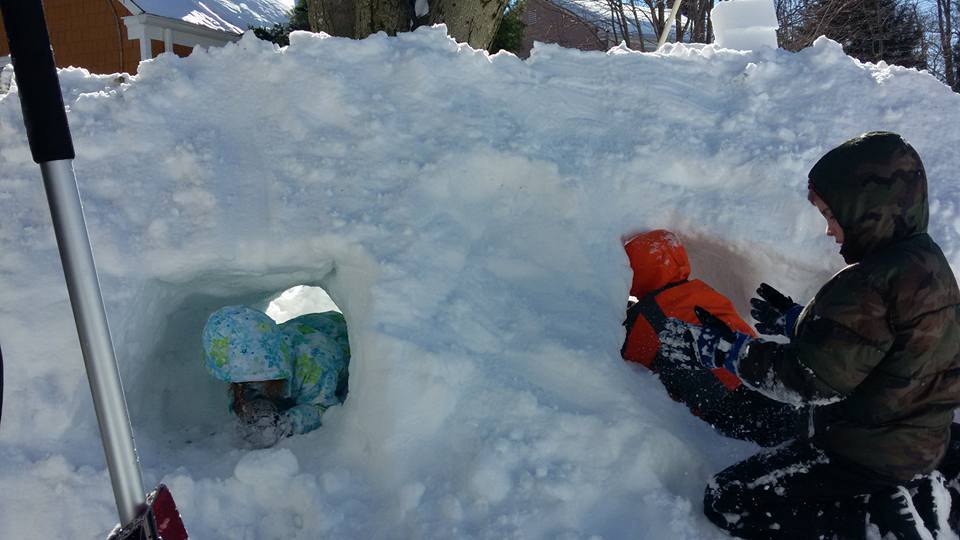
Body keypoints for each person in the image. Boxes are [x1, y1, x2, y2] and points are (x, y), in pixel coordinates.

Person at [655, 131, 960, 539]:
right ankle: (923, 491)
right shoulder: (926, 264)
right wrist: (796, 321)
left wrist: (725, 350)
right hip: (920, 441)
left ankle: (878, 516)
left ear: (867, 211)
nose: (831, 232)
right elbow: (878, 346)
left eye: (833, 217)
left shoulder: (866, 284)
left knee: (727, 499)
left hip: (865, 454)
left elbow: (806, 379)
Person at [621, 229, 805, 447]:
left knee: (766, 433)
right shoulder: (699, 289)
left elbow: (627, 350)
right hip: (757, 372)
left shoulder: (646, 316)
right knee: (791, 427)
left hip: (723, 397)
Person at [202, 305, 350, 448]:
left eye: (252, 378)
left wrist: (286, 423)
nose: (247, 383)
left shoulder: (314, 364)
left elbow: (323, 406)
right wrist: (250, 408)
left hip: (338, 334)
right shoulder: (251, 349)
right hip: (305, 329)